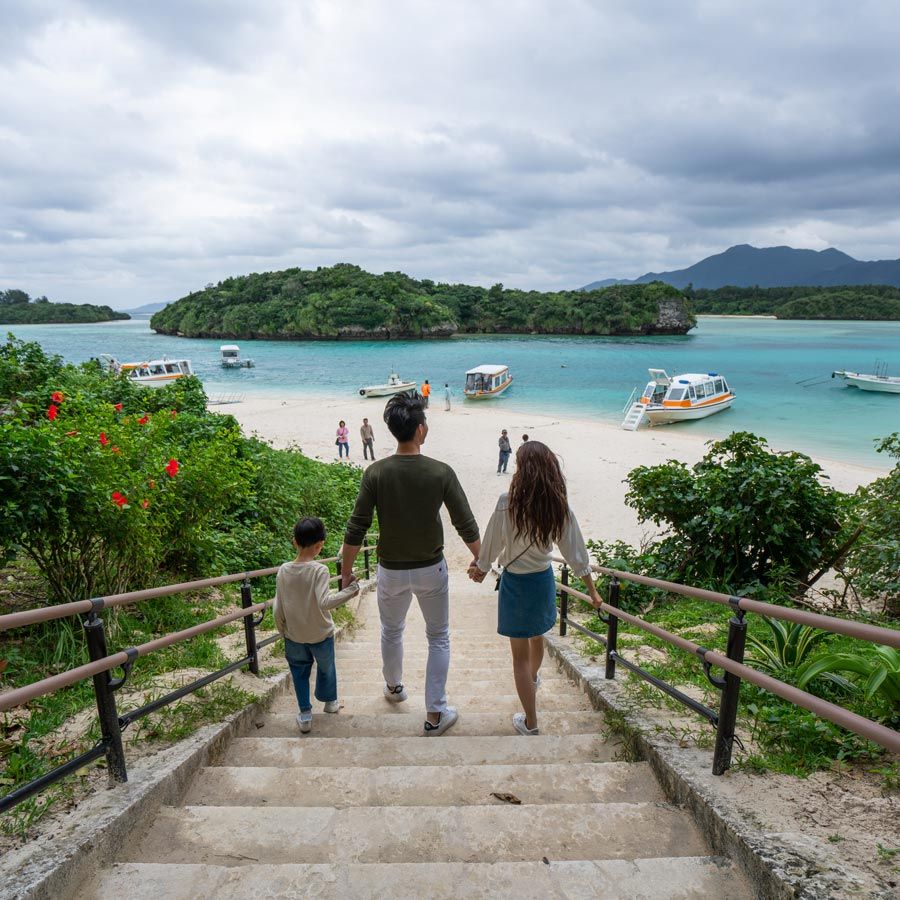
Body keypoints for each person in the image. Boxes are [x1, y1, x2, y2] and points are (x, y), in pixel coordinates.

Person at [341, 392, 481, 736]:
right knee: (439, 637)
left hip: (389, 569)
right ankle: (435, 714)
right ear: (420, 429)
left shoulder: (376, 472)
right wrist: (481, 559)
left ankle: (394, 688)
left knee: (391, 630)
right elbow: (465, 523)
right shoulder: (440, 472)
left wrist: (345, 572)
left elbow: (356, 526)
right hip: (431, 567)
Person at [468, 441, 601, 736]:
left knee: (519, 657)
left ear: (521, 468)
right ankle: (534, 679)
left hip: (515, 583)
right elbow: (575, 551)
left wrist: (480, 568)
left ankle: (531, 722)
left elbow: (491, 543)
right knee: (537, 637)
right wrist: (592, 590)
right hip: (542, 581)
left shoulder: (507, 501)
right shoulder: (557, 504)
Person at [274, 517, 359, 734]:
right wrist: (350, 591)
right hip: (321, 634)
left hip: (294, 635)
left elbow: (278, 605)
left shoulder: (283, 570)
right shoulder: (319, 570)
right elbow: (325, 602)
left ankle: (304, 715)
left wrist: (282, 629)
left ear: (295, 542)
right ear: (320, 544)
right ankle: (330, 703)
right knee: (326, 667)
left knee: (299, 672)